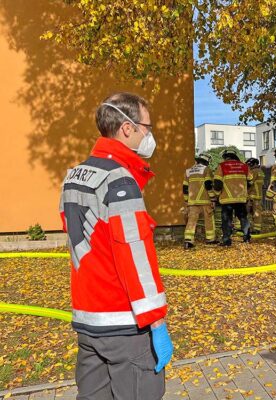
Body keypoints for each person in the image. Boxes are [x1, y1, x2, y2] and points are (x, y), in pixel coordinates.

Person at [59, 93, 172, 400]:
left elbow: (76, 238)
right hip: (124, 324)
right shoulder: (120, 181)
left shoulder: (73, 176)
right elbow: (135, 256)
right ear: (126, 128)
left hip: (87, 319)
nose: (149, 134)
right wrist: (156, 322)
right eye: (145, 127)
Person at [213, 148, 254, 246]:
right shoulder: (244, 166)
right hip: (241, 198)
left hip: (227, 199)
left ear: (226, 157)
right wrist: (243, 190)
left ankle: (227, 240)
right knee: (243, 218)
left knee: (226, 220)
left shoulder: (222, 166)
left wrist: (217, 194)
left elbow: (218, 183)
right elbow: (250, 182)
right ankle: (247, 238)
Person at [183, 153, 217, 249]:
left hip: (192, 201)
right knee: (209, 220)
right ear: (206, 162)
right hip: (205, 200)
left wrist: (186, 200)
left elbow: (185, 187)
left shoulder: (188, 171)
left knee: (191, 221)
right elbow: (208, 185)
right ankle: (210, 239)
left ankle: (188, 240)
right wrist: (213, 199)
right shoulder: (206, 170)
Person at [246, 158, 264, 233]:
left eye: (249, 165)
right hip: (258, 195)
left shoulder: (253, 171)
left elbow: (249, 183)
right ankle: (257, 229)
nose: (249, 166)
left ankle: (245, 228)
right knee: (257, 213)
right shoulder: (261, 171)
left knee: (246, 212)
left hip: (252, 195)